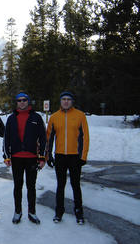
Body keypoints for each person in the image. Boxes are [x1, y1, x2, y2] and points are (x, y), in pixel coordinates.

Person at [46, 91, 90, 224]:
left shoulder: (80, 115)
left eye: (68, 99)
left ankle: (79, 212)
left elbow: (85, 137)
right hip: (60, 156)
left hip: (74, 156)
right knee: (60, 185)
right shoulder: (54, 117)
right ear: (60, 101)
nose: (66, 101)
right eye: (63, 99)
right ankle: (59, 211)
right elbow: (49, 138)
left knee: (75, 185)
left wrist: (83, 156)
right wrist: (48, 156)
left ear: (72, 101)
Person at [3, 92, 46, 224]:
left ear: (28, 101)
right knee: (17, 186)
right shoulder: (11, 118)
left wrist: (42, 157)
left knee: (31, 186)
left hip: (32, 157)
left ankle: (32, 212)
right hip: (16, 157)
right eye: (19, 100)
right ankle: (17, 211)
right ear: (16, 103)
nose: (22, 102)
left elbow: (43, 138)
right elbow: (6, 138)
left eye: (24, 100)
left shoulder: (36, 117)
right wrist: (6, 156)